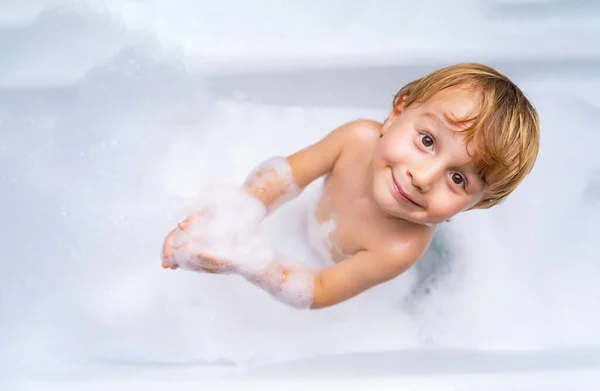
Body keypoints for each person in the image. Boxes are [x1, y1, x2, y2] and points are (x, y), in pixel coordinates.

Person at [161, 63, 540, 310]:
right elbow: (280, 178)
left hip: (399, 277)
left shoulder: (401, 247)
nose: (422, 178)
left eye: (458, 180)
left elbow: (322, 289)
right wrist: (226, 220)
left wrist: (250, 262)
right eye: (427, 141)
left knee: (432, 290)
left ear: (475, 205)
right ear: (397, 112)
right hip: (305, 230)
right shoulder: (356, 140)